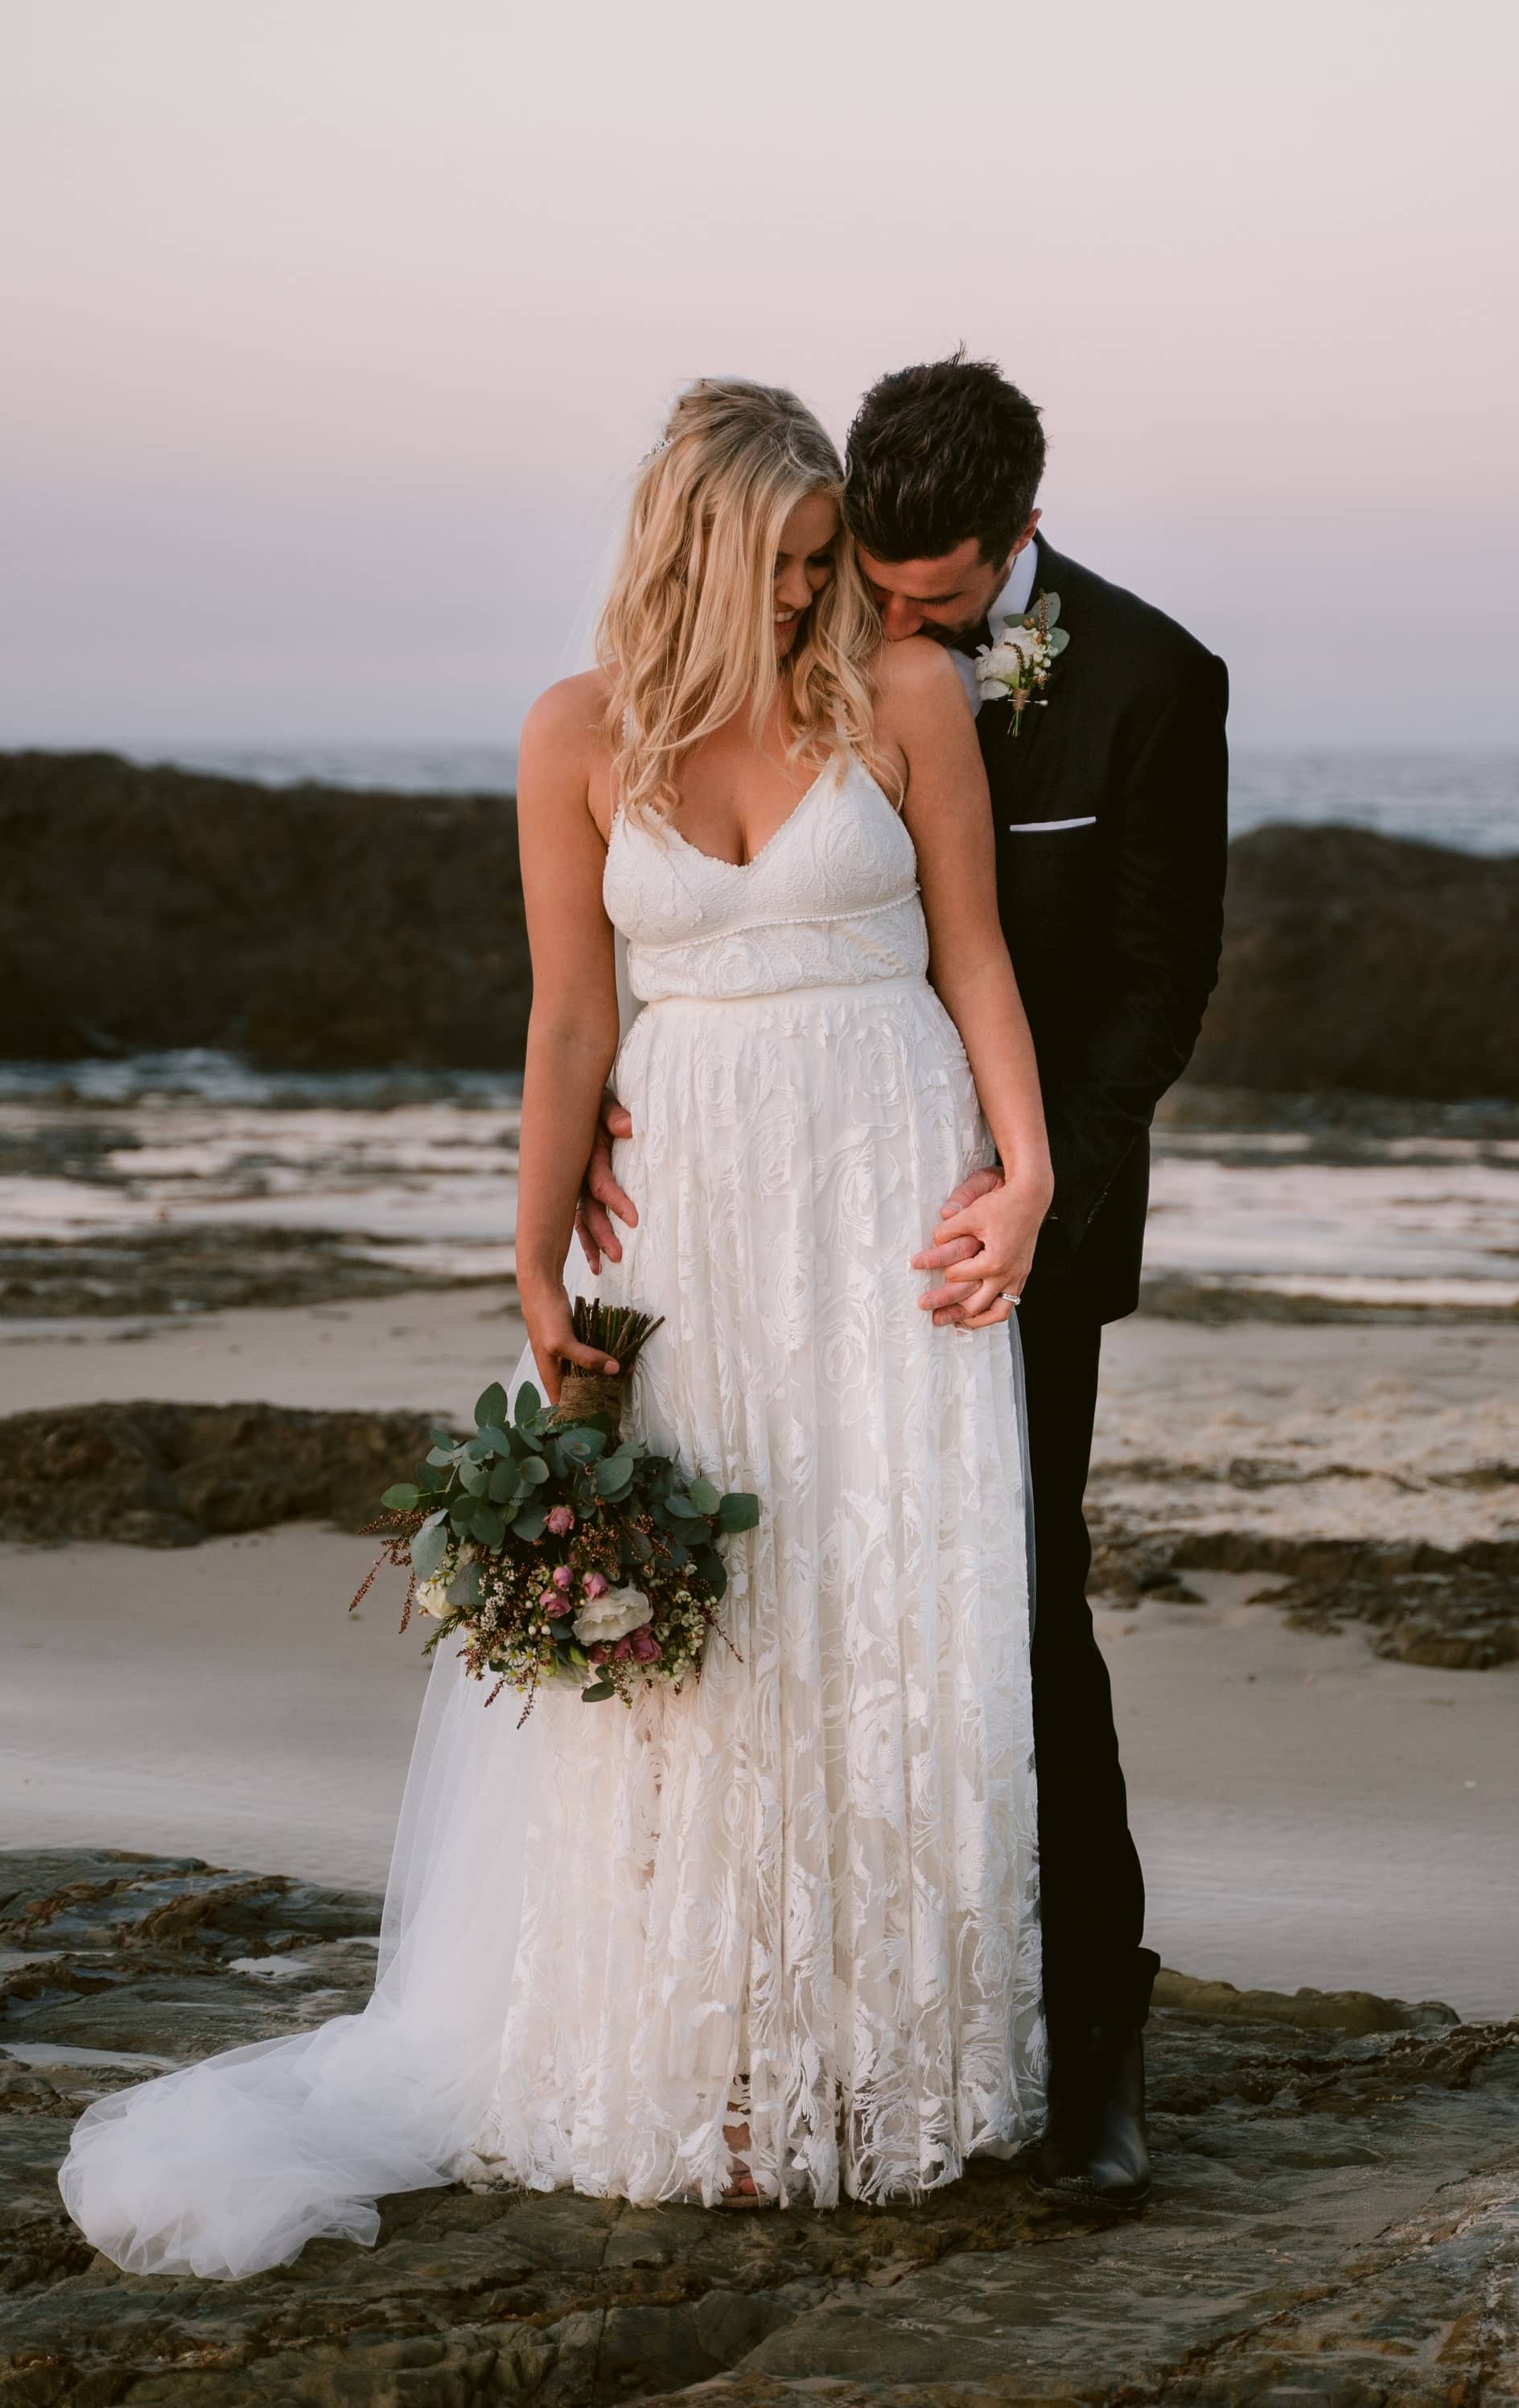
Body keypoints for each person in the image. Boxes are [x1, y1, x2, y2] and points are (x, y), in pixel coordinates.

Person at [59, 377, 1052, 2274]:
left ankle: (876, 2067)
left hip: (879, 1198)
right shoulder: (576, 732)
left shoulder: (908, 699)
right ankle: (710, 2072)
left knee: (877, 1615)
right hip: (685, 1219)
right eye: (774, 563)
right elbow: (569, 1021)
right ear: (685, 547)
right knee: (702, 1652)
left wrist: (1025, 1175)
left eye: (823, 562)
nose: (802, 600)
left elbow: (978, 952)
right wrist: (534, 1261)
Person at [586, 357, 1230, 2209]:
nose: (878, 615)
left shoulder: (1149, 682)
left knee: (1018, 1614)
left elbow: (1148, 984)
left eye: (925, 595)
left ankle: (1088, 2036)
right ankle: (780, 2019)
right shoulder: (821, 611)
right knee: (795, 1599)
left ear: (1011, 540)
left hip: (1010, 1212)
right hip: (790, 1197)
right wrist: (642, 1106)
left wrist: (1028, 1194)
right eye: (861, 572)